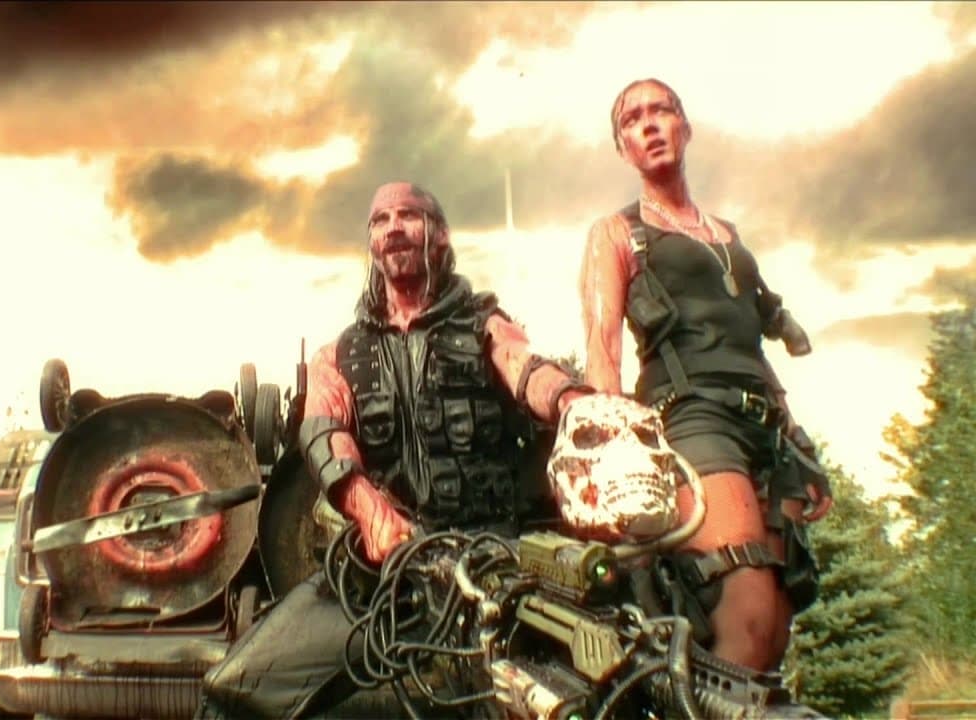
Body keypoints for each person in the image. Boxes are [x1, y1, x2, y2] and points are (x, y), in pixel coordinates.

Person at [198, 181, 593, 719]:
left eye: (409, 215)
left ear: (440, 234)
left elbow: (529, 372)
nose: (394, 227)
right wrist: (370, 511)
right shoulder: (338, 353)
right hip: (385, 575)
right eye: (381, 219)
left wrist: (575, 403)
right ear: (371, 242)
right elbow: (321, 430)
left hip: (495, 562)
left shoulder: (487, 327)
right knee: (233, 689)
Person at [578, 78, 833, 672]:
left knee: (775, 633)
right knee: (746, 615)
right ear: (623, 148)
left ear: (685, 127)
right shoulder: (616, 233)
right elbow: (602, 349)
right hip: (692, 418)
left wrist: (798, 441)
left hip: (765, 428)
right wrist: (610, 456)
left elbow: (752, 344)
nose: (649, 124)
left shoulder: (729, 237)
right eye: (632, 119)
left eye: (661, 110)